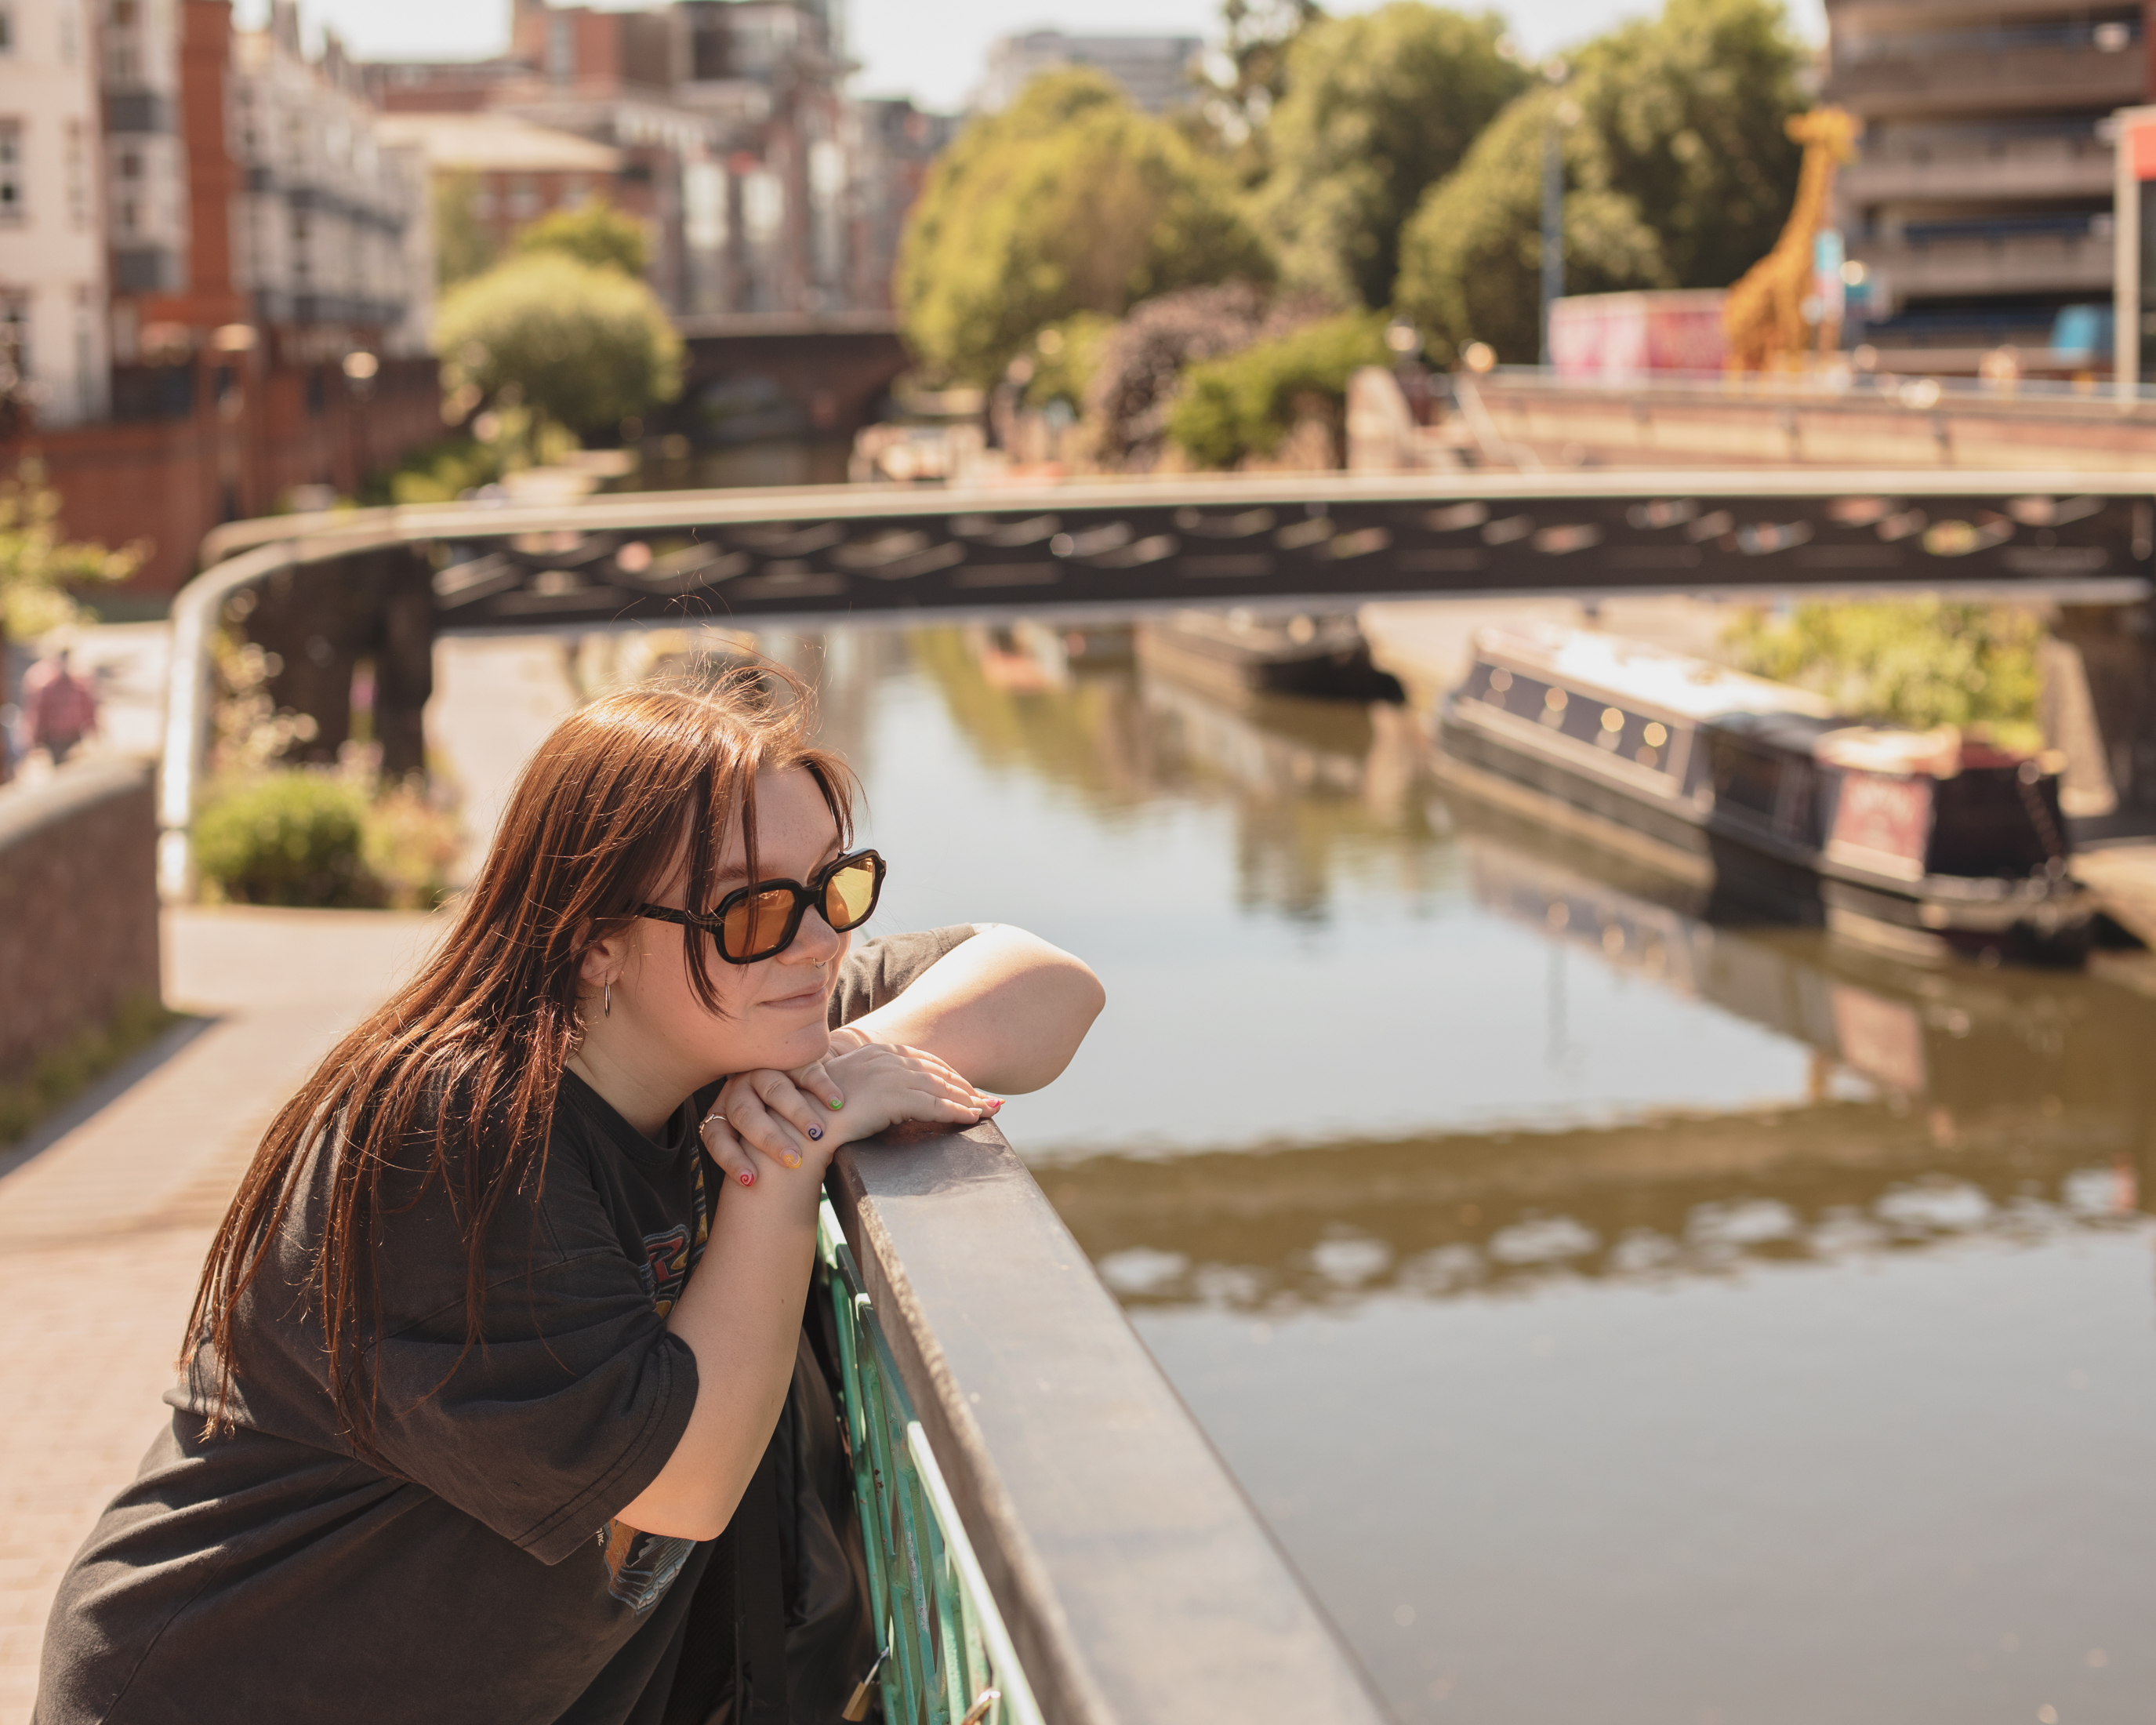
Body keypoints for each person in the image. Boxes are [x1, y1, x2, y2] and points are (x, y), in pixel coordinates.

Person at [34, 670, 1105, 1725]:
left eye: (835, 884)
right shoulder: (456, 1137)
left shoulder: (733, 1024)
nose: (818, 940)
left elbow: (1047, 984)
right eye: (752, 907)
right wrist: (788, 1156)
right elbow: (679, 1486)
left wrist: (836, 1066)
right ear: (597, 939)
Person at [22, 647, 99, 764]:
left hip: (75, 737)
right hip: (55, 740)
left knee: (75, 769)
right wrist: (35, 742)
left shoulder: (79, 686)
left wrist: (95, 731)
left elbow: (89, 711)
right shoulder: (47, 688)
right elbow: (38, 716)